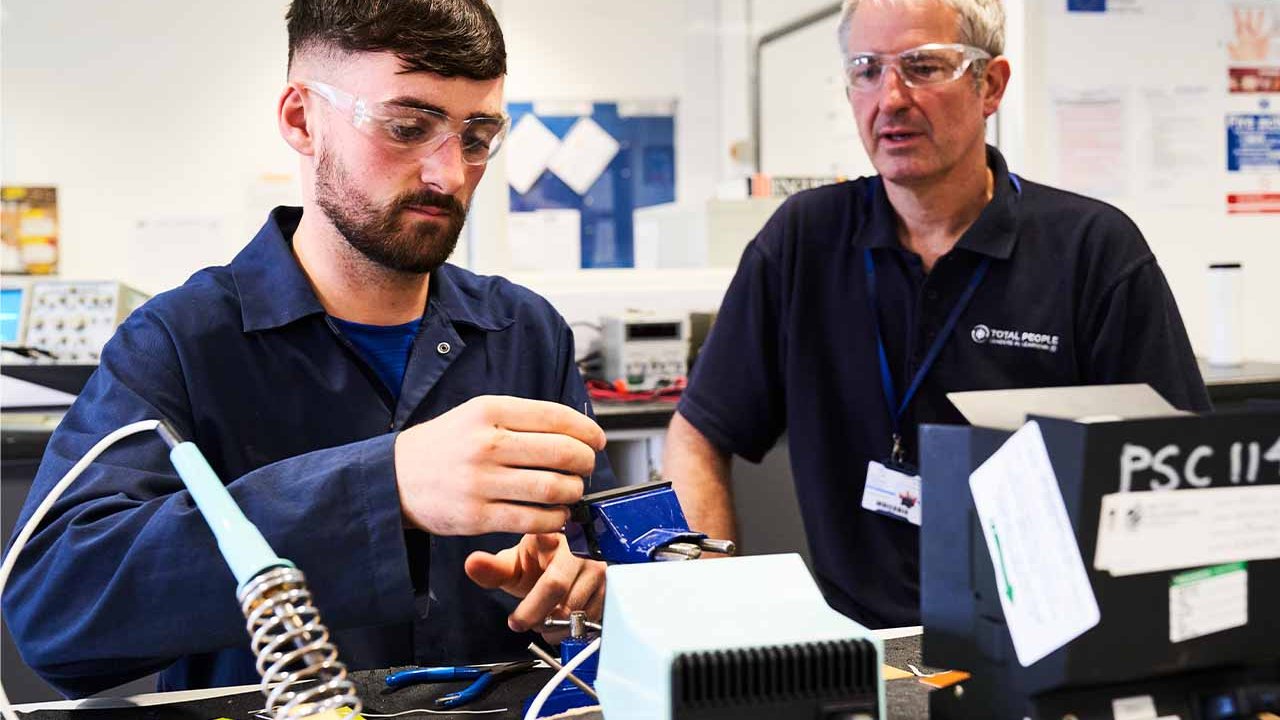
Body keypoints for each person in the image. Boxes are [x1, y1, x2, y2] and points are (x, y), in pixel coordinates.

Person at [2, 0, 612, 698]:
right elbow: (54, 611)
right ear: (300, 118)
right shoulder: (178, 344)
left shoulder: (527, 333)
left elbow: (597, 556)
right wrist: (384, 488)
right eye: (408, 128)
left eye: (477, 137)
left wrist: (590, 592)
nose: (449, 175)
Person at [664, 0, 1210, 631]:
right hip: (861, 646)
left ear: (991, 86)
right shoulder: (804, 240)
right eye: (866, 69)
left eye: (923, 66)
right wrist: (702, 607)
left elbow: (1180, 475)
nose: (890, 98)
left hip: (1052, 643)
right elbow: (699, 433)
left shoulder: (1090, 249)